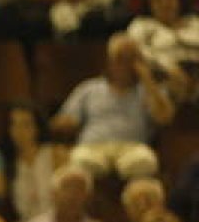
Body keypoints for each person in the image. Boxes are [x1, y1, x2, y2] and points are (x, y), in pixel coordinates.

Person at [50, 33, 175, 182]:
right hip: (93, 148)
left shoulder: (149, 90)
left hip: (133, 149)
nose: (125, 65)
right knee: (80, 161)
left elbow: (165, 117)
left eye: (131, 59)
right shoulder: (89, 88)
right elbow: (65, 120)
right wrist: (65, 123)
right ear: (110, 61)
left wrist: (147, 79)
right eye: (120, 58)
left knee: (145, 163)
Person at [125, 0, 199, 101]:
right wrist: (168, 66)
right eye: (158, 1)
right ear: (149, 4)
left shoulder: (194, 23)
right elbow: (137, 50)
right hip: (161, 79)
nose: (165, 4)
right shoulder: (141, 25)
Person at [5, 103, 66, 222]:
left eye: (26, 125)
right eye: (14, 124)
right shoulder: (9, 163)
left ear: (37, 127)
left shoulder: (56, 154)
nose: (19, 131)